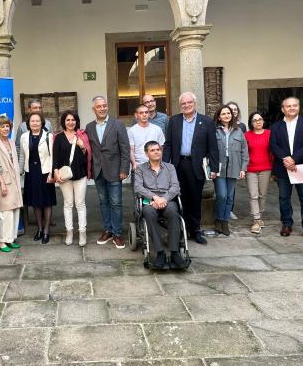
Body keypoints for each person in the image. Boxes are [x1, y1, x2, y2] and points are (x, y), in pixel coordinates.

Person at [163, 92, 219, 244]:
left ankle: (195, 230)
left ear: (195, 103)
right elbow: (168, 144)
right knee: (179, 199)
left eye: (189, 103)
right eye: (183, 104)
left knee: (195, 199)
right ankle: (182, 229)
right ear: (180, 105)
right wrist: (164, 165)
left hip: (196, 166)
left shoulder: (206, 121)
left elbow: (213, 148)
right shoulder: (173, 121)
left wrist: (214, 169)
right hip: (178, 164)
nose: (186, 105)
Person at [270, 97, 303, 241]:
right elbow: (274, 146)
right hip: (283, 167)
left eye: (295, 105)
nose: (292, 108)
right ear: (282, 109)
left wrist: (294, 159)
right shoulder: (276, 127)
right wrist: (286, 159)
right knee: (284, 198)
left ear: (298, 107)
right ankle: (286, 224)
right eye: (288, 106)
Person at [85, 96, 130, 249]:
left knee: (116, 203)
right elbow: (89, 149)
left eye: (104, 105)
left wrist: (125, 169)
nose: (102, 108)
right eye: (99, 106)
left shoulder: (118, 124)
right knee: (103, 203)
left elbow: (125, 148)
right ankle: (107, 230)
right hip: (98, 171)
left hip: (115, 171)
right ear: (94, 109)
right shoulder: (89, 127)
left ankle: (117, 234)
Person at [134, 141, 185, 269]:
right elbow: (138, 187)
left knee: (174, 212)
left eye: (158, 149)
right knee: (149, 214)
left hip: (168, 201)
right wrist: (155, 198)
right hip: (150, 201)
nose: (156, 152)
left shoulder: (170, 167)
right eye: (152, 150)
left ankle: (174, 252)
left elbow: (175, 186)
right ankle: (160, 252)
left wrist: (163, 199)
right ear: (147, 153)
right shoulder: (140, 168)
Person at [52, 110, 91, 247]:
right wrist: (55, 173)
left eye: (73, 120)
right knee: (68, 204)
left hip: (80, 174)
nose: (70, 122)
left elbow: (88, 157)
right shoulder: (58, 137)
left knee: (80, 204)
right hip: (64, 175)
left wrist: (83, 146)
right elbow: (55, 157)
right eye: (67, 120)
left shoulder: (82, 135)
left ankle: (82, 233)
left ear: (76, 121)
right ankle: (69, 232)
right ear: (64, 121)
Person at [19, 112, 56, 244]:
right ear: (28, 123)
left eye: (37, 121)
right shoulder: (24, 137)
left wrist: (52, 173)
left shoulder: (49, 136)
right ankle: (39, 229)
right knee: (35, 202)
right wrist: (19, 171)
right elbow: (22, 155)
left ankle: (46, 230)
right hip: (31, 172)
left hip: (45, 172)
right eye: (32, 121)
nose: (35, 123)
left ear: (42, 123)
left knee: (46, 202)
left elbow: (53, 156)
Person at [0, 115, 23, 252]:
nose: (5, 128)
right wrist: (2, 184)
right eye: (3, 126)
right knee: (5, 212)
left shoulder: (11, 142)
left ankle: (11, 239)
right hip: (1, 182)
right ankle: (1, 241)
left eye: (7, 126)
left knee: (15, 210)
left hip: (14, 181)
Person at [212, 105, 249, 236]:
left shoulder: (239, 130)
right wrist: (211, 167)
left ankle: (224, 221)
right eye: (223, 114)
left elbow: (245, 150)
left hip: (234, 167)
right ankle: (218, 218)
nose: (227, 115)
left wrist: (243, 168)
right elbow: (210, 150)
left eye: (228, 113)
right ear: (219, 116)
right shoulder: (214, 130)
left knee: (229, 197)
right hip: (219, 168)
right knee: (221, 195)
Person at [245, 112, 273, 234]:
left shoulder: (269, 134)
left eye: (260, 119)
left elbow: (273, 151)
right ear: (251, 123)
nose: (258, 121)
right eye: (255, 120)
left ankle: (260, 215)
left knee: (262, 195)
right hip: (250, 169)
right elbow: (243, 153)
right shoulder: (246, 135)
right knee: (253, 195)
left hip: (266, 169)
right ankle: (256, 220)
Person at [129, 104, 165, 172]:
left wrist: (160, 163)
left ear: (148, 114)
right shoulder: (131, 131)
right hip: (139, 167)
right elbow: (131, 150)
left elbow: (161, 148)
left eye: (146, 112)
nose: (144, 114)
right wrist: (134, 164)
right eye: (141, 113)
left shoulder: (157, 129)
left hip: (155, 167)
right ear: (136, 115)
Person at [227, 101, 246, 220]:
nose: (233, 111)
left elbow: (243, 145)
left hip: (236, 159)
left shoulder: (242, 126)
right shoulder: (220, 125)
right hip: (224, 161)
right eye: (231, 109)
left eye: (235, 109)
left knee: (232, 188)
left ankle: (230, 210)